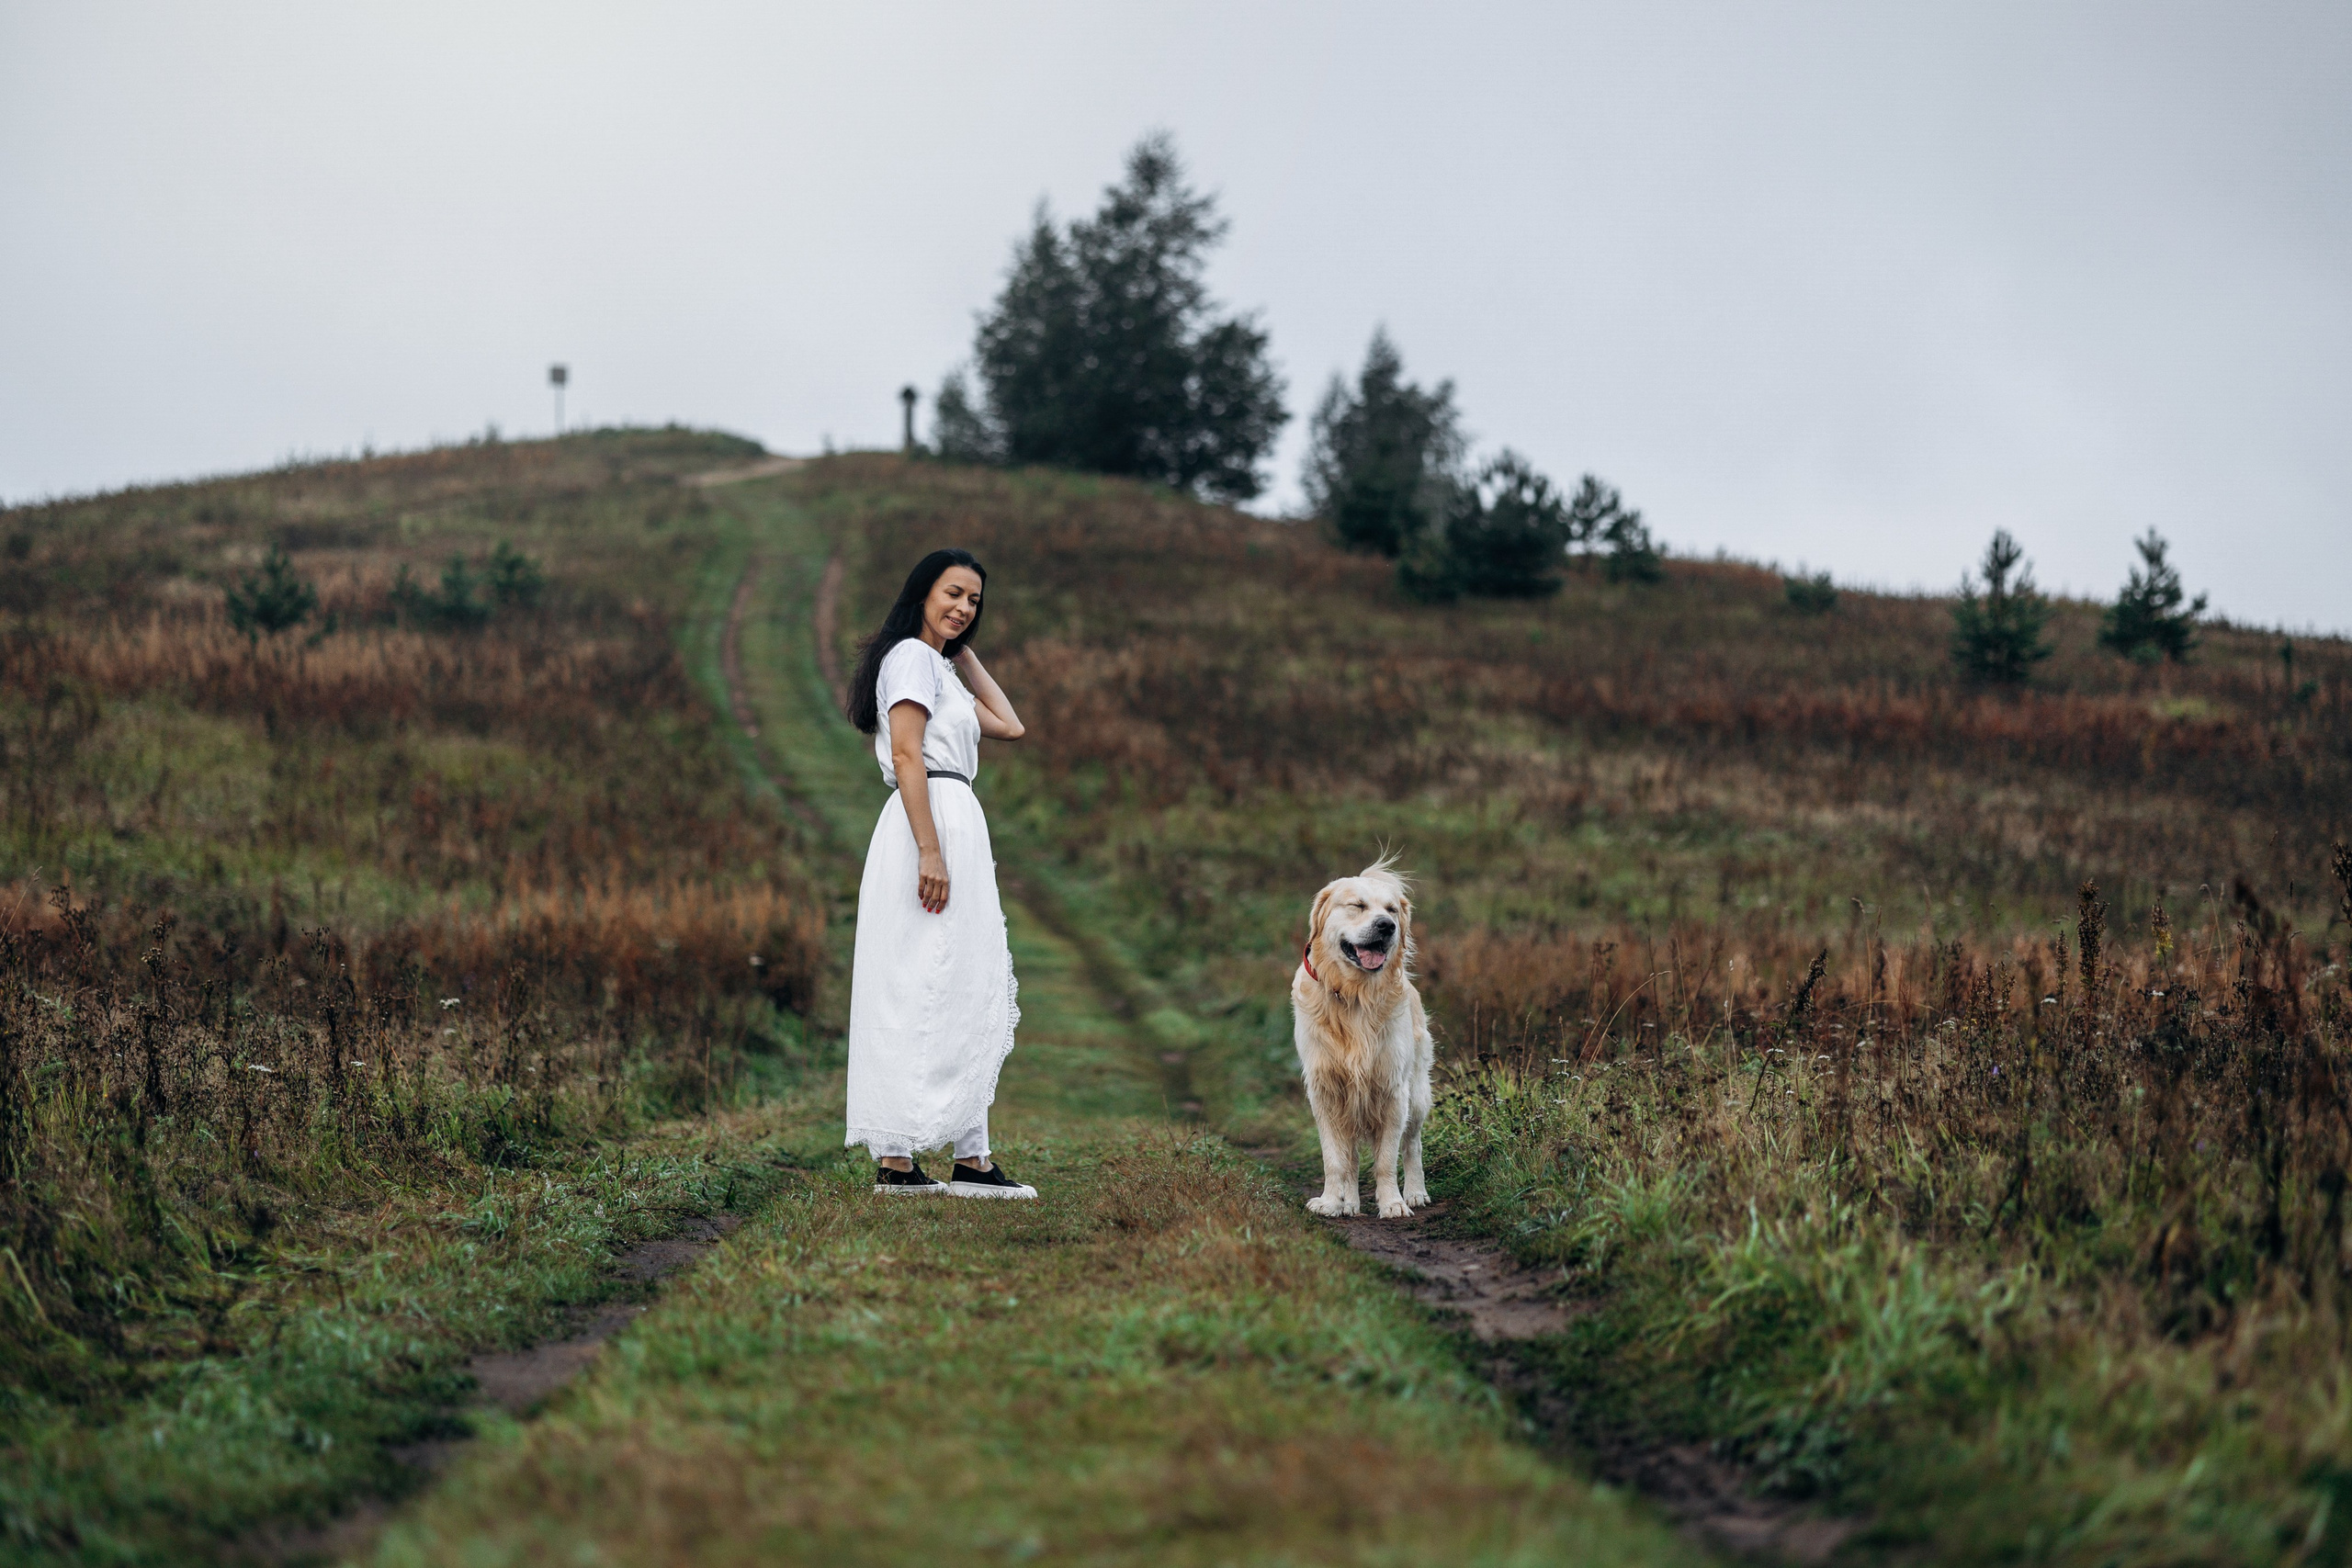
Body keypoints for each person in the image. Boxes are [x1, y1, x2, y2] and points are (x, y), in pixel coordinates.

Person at [842, 547, 1035, 1198]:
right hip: (929, 819)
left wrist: (962, 653)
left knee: (956, 976)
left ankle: (946, 1159)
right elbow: (905, 752)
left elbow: (1011, 723)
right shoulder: (908, 658)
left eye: (974, 601)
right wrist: (930, 849)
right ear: (921, 591)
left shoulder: (937, 666)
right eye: (952, 593)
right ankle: (939, 1160)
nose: (963, 607)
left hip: (954, 815)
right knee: (923, 976)